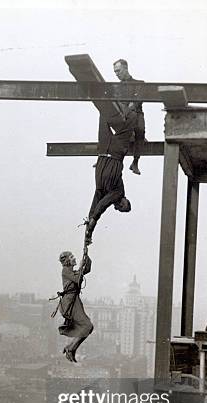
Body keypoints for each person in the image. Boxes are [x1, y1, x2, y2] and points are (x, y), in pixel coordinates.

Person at [84, 106, 135, 245]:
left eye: (121, 208)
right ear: (125, 199)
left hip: (103, 151)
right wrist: (93, 223)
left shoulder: (104, 193)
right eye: (125, 204)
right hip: (115, 153)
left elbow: (96, 204)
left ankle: (112, 101)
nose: (121, 204)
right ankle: (131, 104)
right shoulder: (118, 193)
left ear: (117, 208)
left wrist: (89, 227)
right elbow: (101, 205)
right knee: (131, 120)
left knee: (104, 114)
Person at [56, 250, 94, 362]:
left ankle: (71, 348)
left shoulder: (71, 272)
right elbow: (78, 278)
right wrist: (82, 265)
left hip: (74, 301)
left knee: (89, 327)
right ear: (67, 260)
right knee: (87, 326)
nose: (74, 258)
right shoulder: (65, 271)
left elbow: (86, 270)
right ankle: (70, 348)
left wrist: (87, 257)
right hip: (70, 303)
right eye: (72, 257)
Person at [113, 58, 146, 175]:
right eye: (115, 72)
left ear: (125, 68)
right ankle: (105, 157)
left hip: (135, 115)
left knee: (140, 129)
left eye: (118, 71)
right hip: (123, 116)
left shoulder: (139, 84)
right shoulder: (116, 87)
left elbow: (137, 102)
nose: (117, 74)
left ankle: (135, 162)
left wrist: (128, 107)